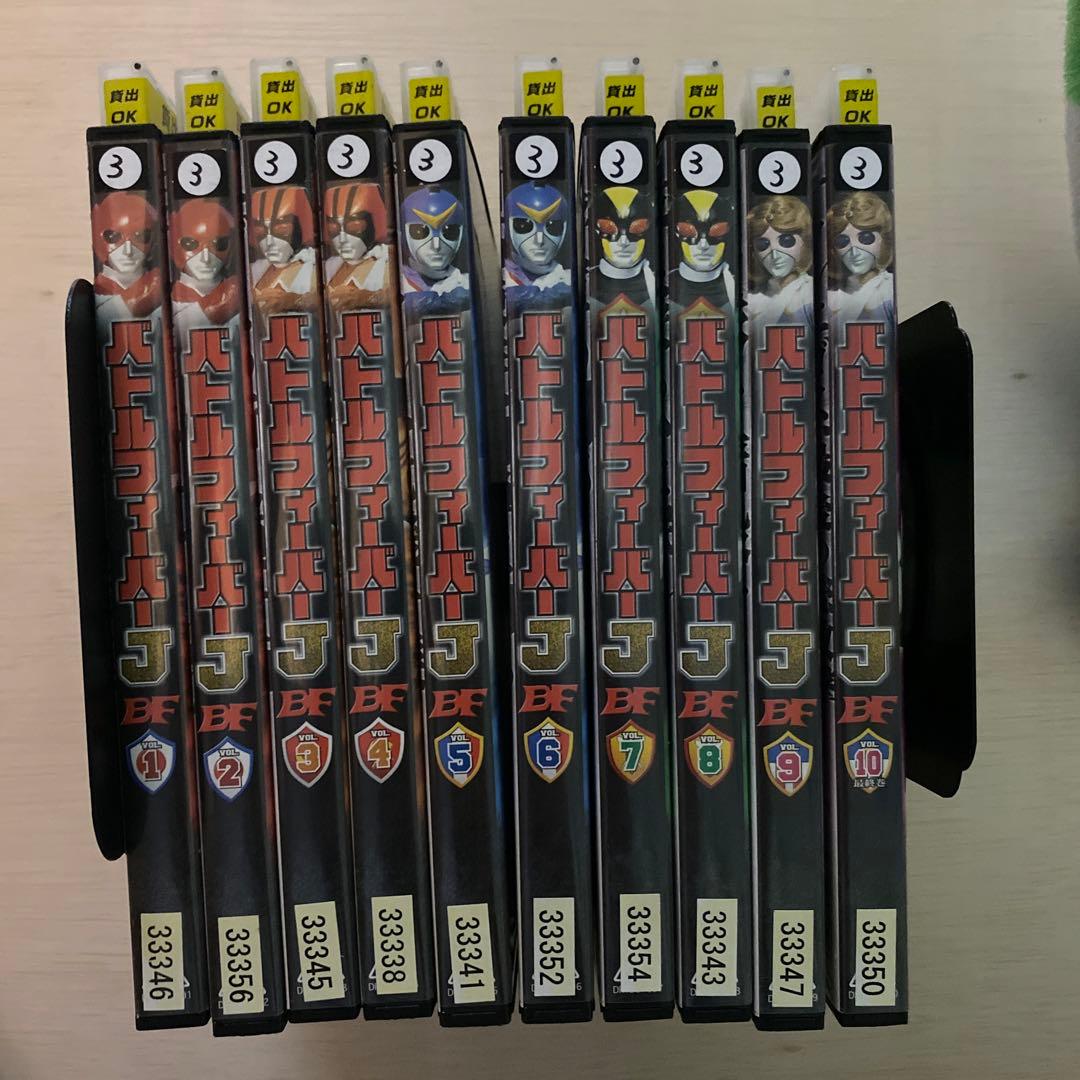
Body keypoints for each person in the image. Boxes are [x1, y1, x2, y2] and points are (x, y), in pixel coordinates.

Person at [168, 200, 241, 333]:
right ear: (175, 248)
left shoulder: (245, 294)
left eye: (218, 243)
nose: (205, 258)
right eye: (190, 244)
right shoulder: (164, 305)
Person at [826, 190, 895, 324]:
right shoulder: (829, 297)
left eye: (866, 238)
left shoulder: (891, 290)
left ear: (883, 239)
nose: (854, 251)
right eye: (842, 241)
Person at [91, 191, 162, 322]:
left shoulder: (160, 284)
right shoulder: (99, 294)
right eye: (113, 237)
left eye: (141, 236)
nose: (128, 251)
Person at [322, 181, 391, 313]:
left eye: (354, 226)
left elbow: (400, 295)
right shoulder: (329, 267)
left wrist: (365, 298)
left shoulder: (387, 263)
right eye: (334, 228)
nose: (342, 239)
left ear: (374, 223)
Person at [248, 186, 317, 317]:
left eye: (280, 230)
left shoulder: (312, 269)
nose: (269, 242)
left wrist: (296, 300)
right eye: (260, 231)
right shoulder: (254, 270)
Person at [400, 185, 469, 316]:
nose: (436, 245)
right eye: (420, 231)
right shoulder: (386, 281)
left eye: (449, 231)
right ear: (403, 234)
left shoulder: (466, 284)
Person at [745, 194, 813, 326]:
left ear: (805, 241)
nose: (774, 254)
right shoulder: (751, 299)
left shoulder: (811, 293)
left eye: (786, 241)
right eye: (763, 244)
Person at [503, 181, 571, 313]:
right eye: (524, 225)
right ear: (507, 228)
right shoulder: (502, 279)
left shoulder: (568, 281)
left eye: (552, 226)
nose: (539, 240)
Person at [668, 189, 734, 316]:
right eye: (687, 230)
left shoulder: (740, 288)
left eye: (718, 230)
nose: (703, 245)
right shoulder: (660, 286)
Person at [594, 184, 654, 309]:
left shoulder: (659, 283)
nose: (623, 242)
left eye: (638, 228)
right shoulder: (581, 283)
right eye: (608, 227)